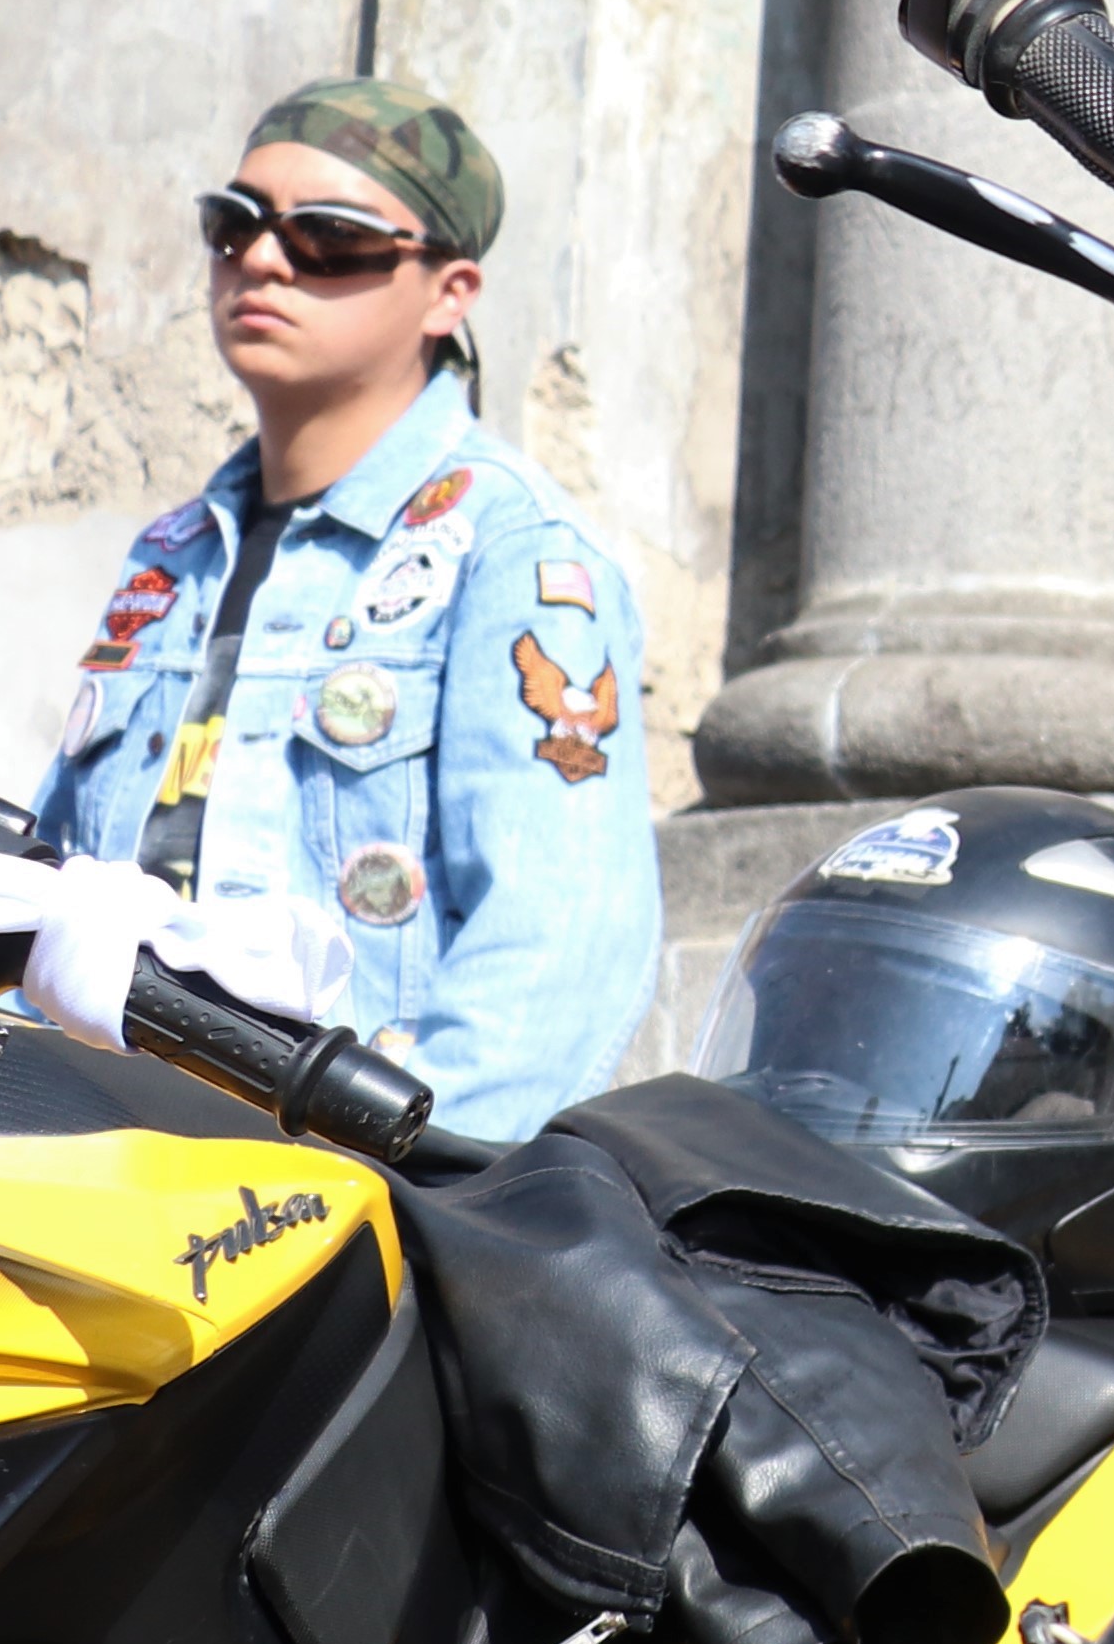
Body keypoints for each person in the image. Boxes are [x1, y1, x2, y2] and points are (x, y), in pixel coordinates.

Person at [37, 79, 657, 1138]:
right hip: (90, 1162)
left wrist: (386, 1167)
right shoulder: (169, 557)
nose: (264, 260)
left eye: (330, 237)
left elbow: (559, 951)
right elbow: (54, 883)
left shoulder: (512, 551)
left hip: (324, 1200)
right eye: (234, 225)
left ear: (447, 291)